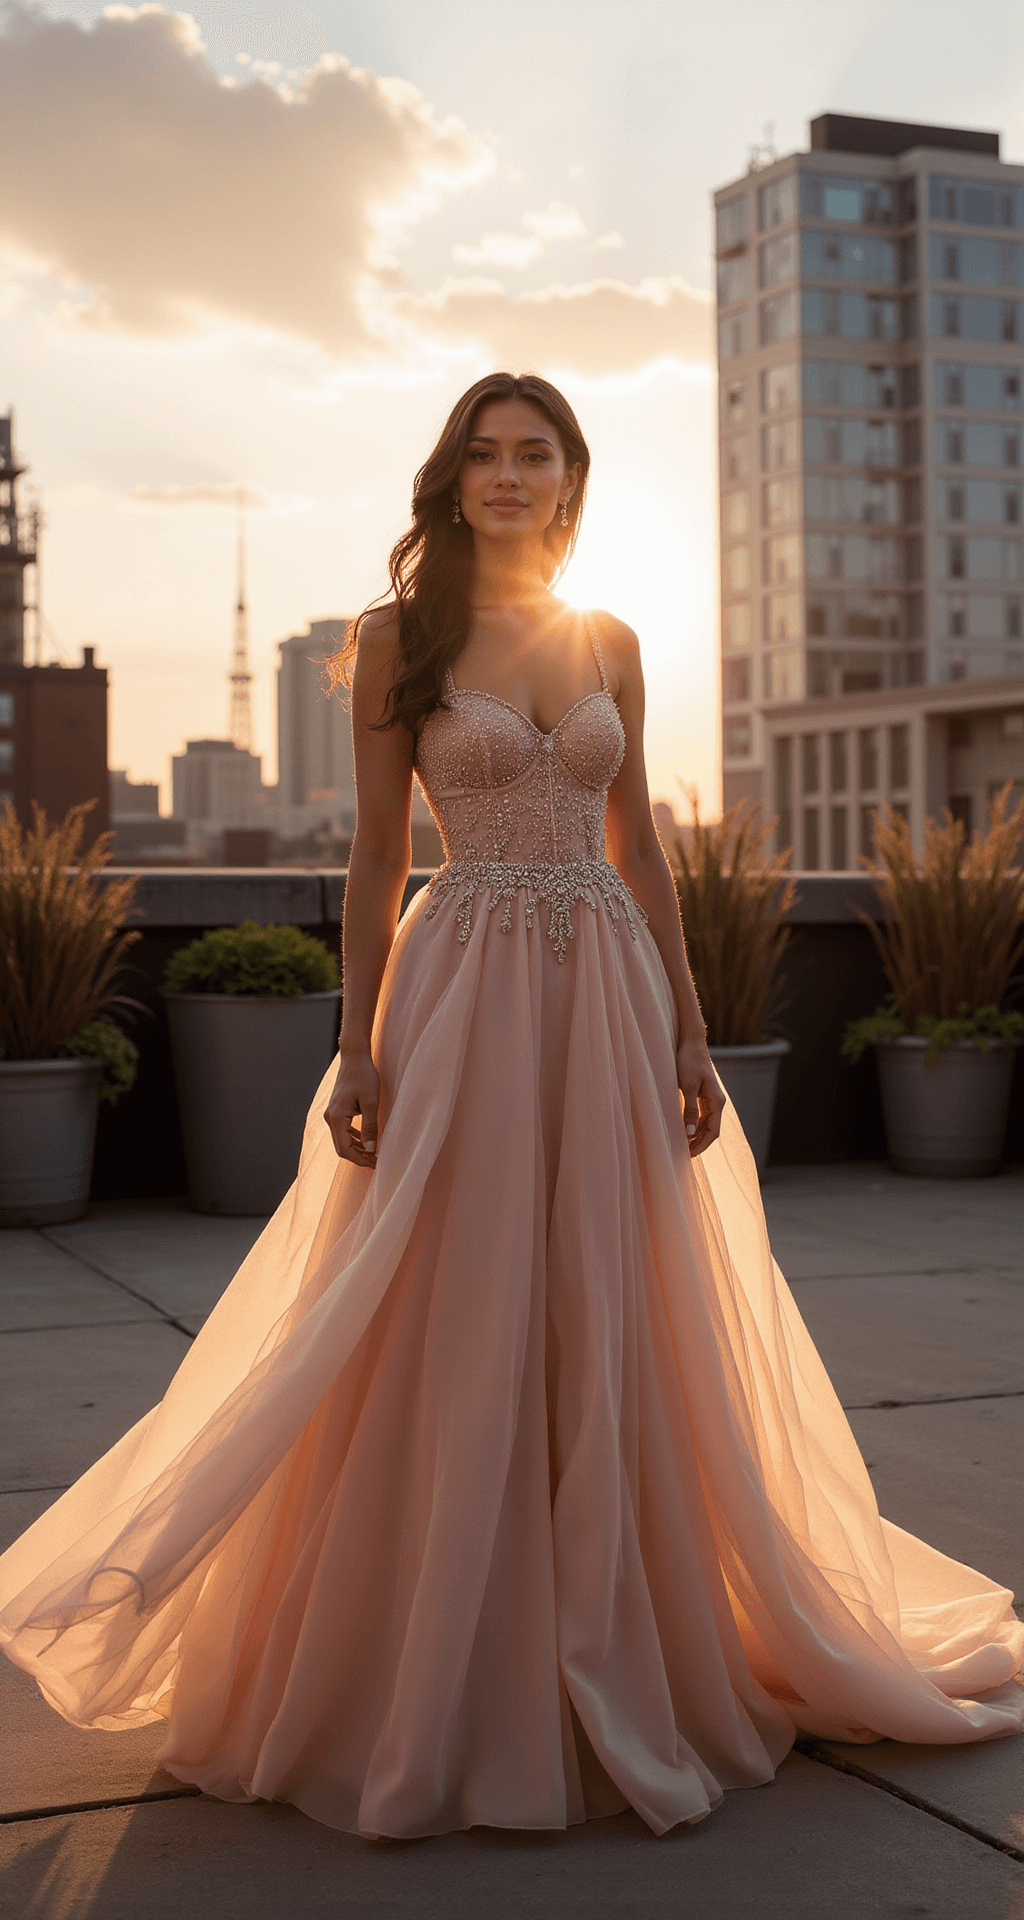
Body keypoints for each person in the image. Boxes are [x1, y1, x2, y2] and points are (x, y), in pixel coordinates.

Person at [0, 373, 1021, 1841]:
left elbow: (646, 849)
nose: (507, 474)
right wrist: (358, 1044)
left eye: (533, 454)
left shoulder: (611, 637)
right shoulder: (394, 641)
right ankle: (436, 1656)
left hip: (604, 990)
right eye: (482, 453)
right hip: (462, 984)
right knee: (449, 1293)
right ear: (452, 476)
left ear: (570, 476)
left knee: (611, 1297)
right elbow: (367, 861)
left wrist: (687, 1026)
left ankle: (615, 1629)